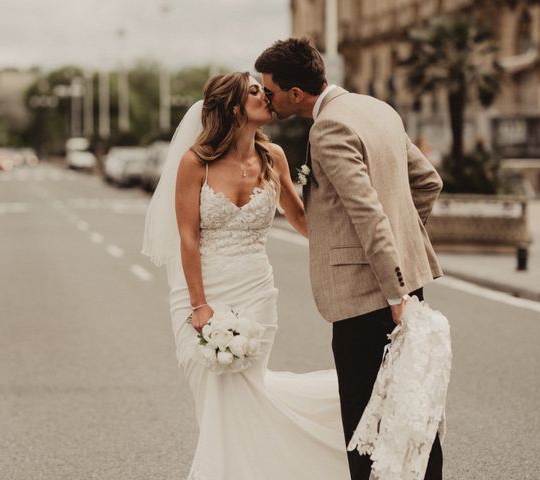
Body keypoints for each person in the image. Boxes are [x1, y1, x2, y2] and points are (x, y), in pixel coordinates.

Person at [142, 72, 351, 479]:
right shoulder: (195, 162)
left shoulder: (273, 158)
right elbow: (187, 238)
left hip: (256, 291)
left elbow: (301, 219)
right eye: (255, 91)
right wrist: (199, 305)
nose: (267, 96)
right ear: (235, 108)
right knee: (214, 396)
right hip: (201, 294)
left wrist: (349, 243)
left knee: (246, 392)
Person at [256, 38, 445, 480]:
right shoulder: (378, 108)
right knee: (412, 406)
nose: (267, 98)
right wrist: (403, 256)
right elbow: (428, 183)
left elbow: (367, 212)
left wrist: (393, 286)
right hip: (401, 285)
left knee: (364, 420)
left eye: (271, 91)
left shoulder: (330, 128)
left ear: (296, 94)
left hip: (371, 297)